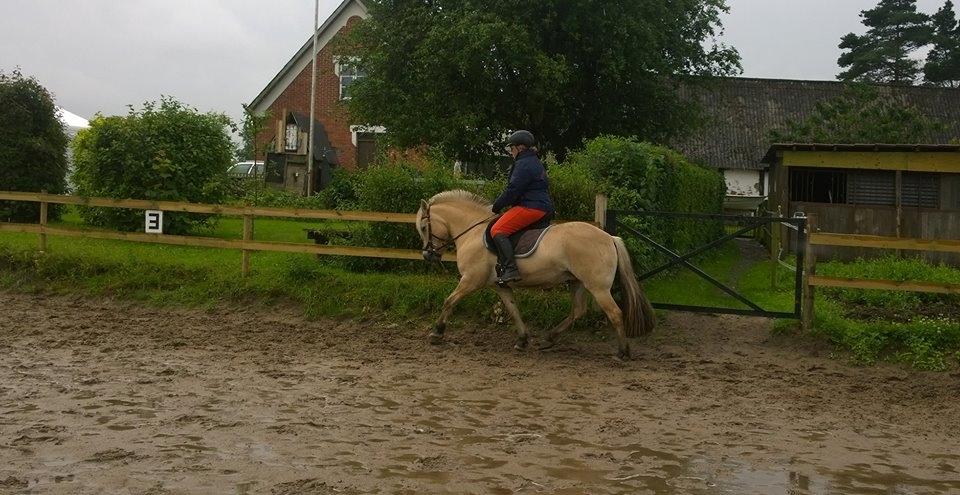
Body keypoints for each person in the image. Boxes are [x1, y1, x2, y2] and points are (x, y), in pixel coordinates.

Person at [490, 130, 555, 285]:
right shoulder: (535, 161)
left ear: (520, 148)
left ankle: (510, 269)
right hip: (543, 207)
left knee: (497, 230)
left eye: (511, 148)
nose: (511, 152)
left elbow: (513, 190)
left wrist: (497, 205)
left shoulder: (523, 164)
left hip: (531, 207)